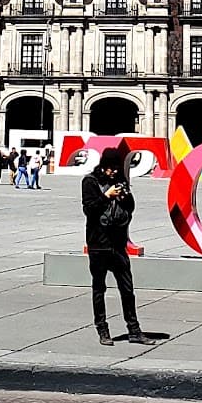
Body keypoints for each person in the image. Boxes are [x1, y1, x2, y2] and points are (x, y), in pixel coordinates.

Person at [81, 146, 155, 347]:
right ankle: (102, 329)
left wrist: (124, 197)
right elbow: (89, 209)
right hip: (98, 244)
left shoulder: (120, 182)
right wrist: (107, 196)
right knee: (99, 288)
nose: (113, 172)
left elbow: (130, 207)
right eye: (110, 168)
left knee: (127, 289)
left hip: (118, 244)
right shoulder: (90, 182)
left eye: (116, 168)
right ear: (103, 166)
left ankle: (134, 330)